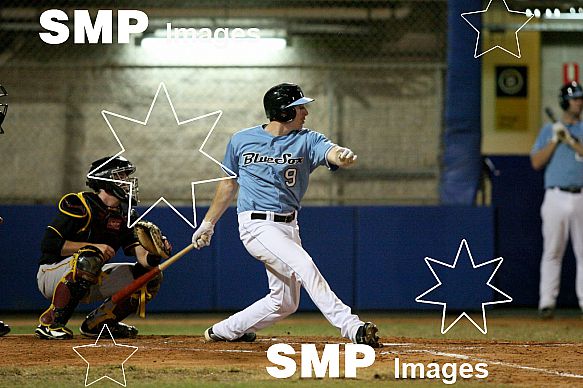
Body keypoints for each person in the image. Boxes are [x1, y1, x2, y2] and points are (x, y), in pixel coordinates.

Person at [191, 82, 381, 347]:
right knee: (303, 265)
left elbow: (330, 151)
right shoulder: (241, 140)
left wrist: (342, 156)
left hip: (289, 225)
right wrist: (208, 223)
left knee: (285, 303)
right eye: (299, 107)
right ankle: (352, 327)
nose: (305, 112)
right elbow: (228, 183)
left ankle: (224, 330)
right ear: (283, 112)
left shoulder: (308, 139)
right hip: (256, 225)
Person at [35, 155, 169, 339]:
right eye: (120, 176)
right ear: (104, 180)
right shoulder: (80, 203)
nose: (126, 182)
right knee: (90, 257)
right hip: (52, 274)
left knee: (150, 276)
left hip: (91, 274)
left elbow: (142, 259)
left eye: (125, 177)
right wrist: (92, 246)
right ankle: (51, 323)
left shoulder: (125, 213)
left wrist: (155, 253)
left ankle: (99, 324)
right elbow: (49, 245)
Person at [531, 81, 583, 318]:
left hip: (580, 194)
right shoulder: (548, 130)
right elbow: (536, 162)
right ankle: (547, 303)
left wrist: (571, 140)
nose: (578, 102)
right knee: (552, 250)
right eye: (574, 99)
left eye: (580, 98)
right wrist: (555, 139)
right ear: (565, 101)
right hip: (555, 195)